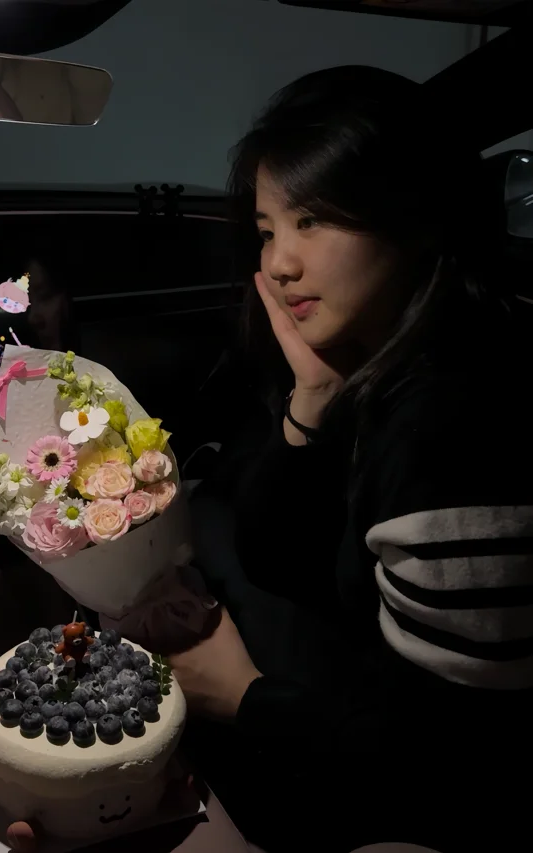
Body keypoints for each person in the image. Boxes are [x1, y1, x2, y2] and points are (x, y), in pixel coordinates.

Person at [170, 66, 533, 852]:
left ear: (414, 217)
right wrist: (312, 396)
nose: (279, 263)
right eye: (268, 229)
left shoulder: (457, 422)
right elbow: (279, 559)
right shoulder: (380, 365)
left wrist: (244, 697)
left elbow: (461, 756)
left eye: (311, 220)